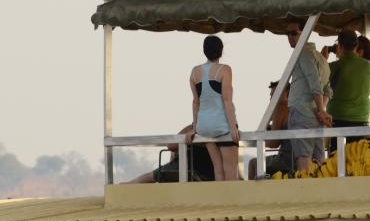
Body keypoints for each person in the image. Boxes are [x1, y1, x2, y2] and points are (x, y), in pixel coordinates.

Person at [184, 35, 241, 181]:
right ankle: (230, 203)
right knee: (230, 172)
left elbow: (196, 102)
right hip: (222, 125)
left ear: (204, 51)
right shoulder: (224, 70)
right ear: (221, 51)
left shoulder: (194, 72)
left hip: (204, 128)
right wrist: (233, 127)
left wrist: (195, 128)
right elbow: (227, 101)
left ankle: (220, 202)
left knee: (218, 170)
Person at [283, 20, 332, 172]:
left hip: (302, 113)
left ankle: (303, 192)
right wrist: (321, 110)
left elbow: (315, 83)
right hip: (315, 115)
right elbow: (327, 89)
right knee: (319, 161)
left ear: (304, 34)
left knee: (304, 160)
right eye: (288, 33)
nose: (290, 37)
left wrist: (321, 110)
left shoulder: (303, 53)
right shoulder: (322, 58)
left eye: (294, 33)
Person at [124, 123, 215, 183]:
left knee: (147, 178)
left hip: (192, 169)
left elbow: (171, 145)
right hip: (209, 174)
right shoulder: (219, 127)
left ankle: (125, 187)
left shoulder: (199, 128)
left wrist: (193, 125)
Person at [324, 30, 370, 131]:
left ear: (340, 45)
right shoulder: (367, 65)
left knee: (338, 148)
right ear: (356, 45)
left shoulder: (332, 67)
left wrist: (323, 59)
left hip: (338, 118)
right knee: (358, 147)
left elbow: (319, 82)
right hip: (361, 119)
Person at [249, 80, 294, 177]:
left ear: (286, 93)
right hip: (300, 158)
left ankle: (252, 192)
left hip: (287, 160)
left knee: (253, 163)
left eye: (274, 95)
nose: (271, 100)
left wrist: (262, 139)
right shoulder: (295, 108)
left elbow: (274, 144)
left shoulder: (281, 107)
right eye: (271, 96)